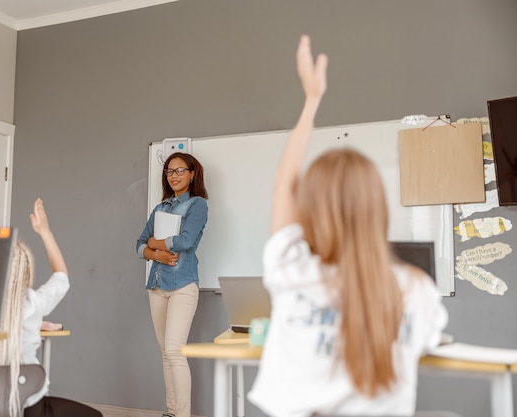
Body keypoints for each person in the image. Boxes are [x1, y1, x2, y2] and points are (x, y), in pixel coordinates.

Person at [247, 35, 448, 417]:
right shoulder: (418, 291)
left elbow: (283, 186)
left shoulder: (293, 271)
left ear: (311, 208)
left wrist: (311, 102)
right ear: (378, 209)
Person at [0, 198, 103, 417]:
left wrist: (34, 324)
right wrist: (45, 232)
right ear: (25, 273)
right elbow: (61, 276)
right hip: (30, 409)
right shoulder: (33, 303)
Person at [136, 152, 208, 417]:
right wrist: (154, 253)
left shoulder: (198, 205)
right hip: (157, 284)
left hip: (182, 285)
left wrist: (155, 243)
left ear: (192, 174)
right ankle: (172, 411)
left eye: (180, 171)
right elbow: (138, 244)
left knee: (176, 352)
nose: (174, 176)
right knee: (166, 353)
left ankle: (183, 415)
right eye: (169, 171)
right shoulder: (160, 208)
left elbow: (187, 241)